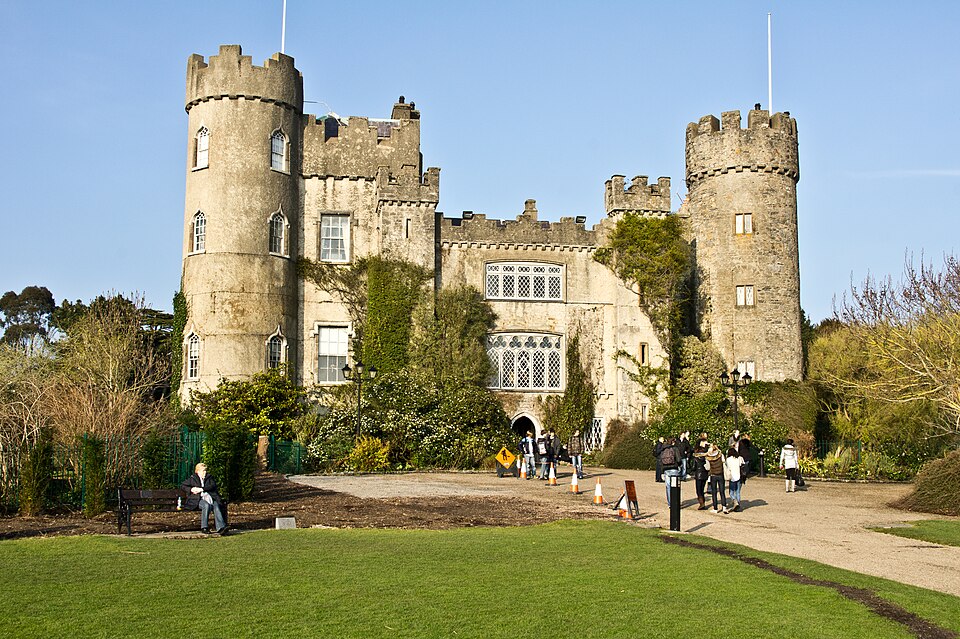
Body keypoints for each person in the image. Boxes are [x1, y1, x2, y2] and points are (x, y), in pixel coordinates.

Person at [180, 462, 227, 534]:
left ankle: (221, 527)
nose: (205, 472)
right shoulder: (193, 478)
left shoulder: (209, 478)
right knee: (206, 505)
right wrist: (191, 489)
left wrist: (202, 489)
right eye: (203, 471)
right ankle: (204, 527)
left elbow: (212, 486)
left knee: (216, 505)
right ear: (198, 471)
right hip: (197, 500)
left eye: (205, 470)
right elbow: (183, 486)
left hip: (210, 498)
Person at [704, 443, 729, 514]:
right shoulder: (721, 455)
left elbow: (707, 467)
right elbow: (724, 462)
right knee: (722, 491)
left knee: (714, 492)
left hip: (713, 475)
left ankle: (715, 508)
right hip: (720, 474)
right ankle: (724, 507)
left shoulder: (709, 457)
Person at [659, 437, 682, 506]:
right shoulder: (675, 449)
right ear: (673, 442)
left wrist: (662, 471)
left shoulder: (663, 449)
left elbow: (661, 461)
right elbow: (679, 460)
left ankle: (670, 503)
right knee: (676, 486)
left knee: (668, 487)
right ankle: (676, 502)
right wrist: (679, 465)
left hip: (666, 469)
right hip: (674, 469)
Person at [692, 436, 710, 510]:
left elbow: (693, 467)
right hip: (705, 473)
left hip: (698, 474)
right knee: (702, 489)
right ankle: (703, 503)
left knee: (699, 490)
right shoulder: (706, 454)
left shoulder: (696, 455)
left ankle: (702, 503)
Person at [725, 446, 744, 511]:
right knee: (738, 492)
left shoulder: (728, 459)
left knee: (731, 492)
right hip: (739, 476)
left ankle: (735, 502)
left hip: (732, 477)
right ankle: (738, 504)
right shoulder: (739, 458)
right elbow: (742, 464)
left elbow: (727, 467)